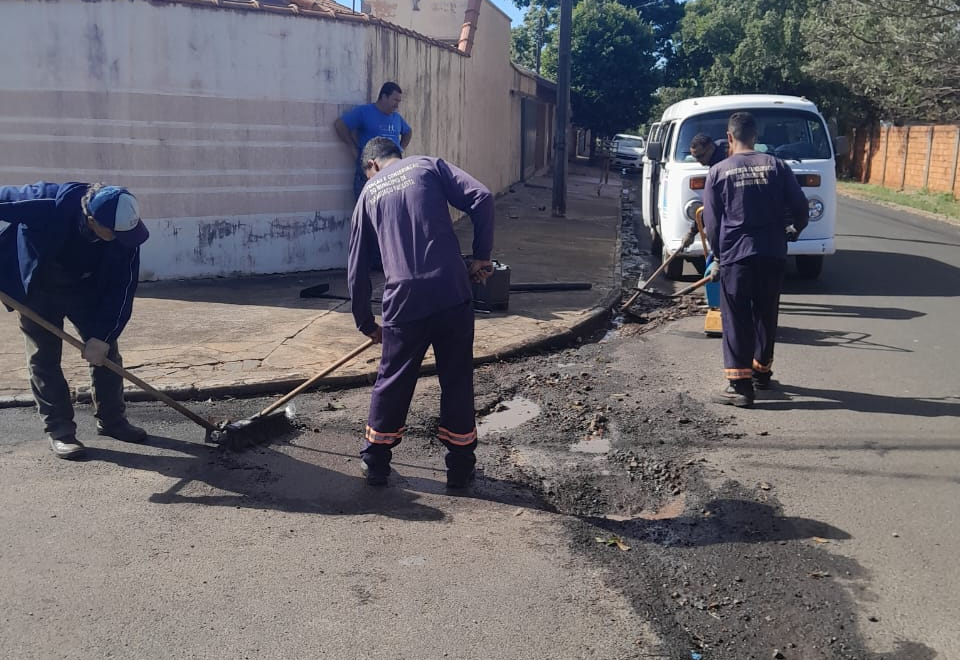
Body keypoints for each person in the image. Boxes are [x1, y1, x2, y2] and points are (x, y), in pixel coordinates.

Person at [347, 137, 494, 488]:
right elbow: (482, 197)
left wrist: (366, 324)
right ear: (395, 156)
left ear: (372, 167)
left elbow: (356, 268)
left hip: (404, 301)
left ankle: (377, 462)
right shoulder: (428, 165)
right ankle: (460, 467)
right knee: (457, 378)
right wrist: (481, 256)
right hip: (452, 292)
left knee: (393, 380)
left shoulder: (368, 195)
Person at [0, 182, 151, 459]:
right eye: (113, 233)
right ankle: (60, 431)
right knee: (44, 357)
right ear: (91, 219)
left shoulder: (126, 235)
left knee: (106, 353)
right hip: (38, 289)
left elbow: (123, 287)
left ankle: (112, 420)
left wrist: (103, 336)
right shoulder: (48, 202)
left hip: (87, 288)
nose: (122, 239)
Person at [701, 112, 808, 407]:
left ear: (730, 137)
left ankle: (740, 385)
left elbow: (712, 222)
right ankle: (761, 372)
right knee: (766, 312)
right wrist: (794, 231)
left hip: (737, 254)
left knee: (735, 316)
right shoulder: (777, 166)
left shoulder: (718, 172)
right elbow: (800, 208)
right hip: (773, 252)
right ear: (756, 138)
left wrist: (717, 255)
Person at [335, 82, 414, 199]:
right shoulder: (364, 112)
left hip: (392, 174)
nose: (397, 105)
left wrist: (400, 149)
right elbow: (340, 125)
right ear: (384, 97)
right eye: (395, 100)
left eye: (399, 101)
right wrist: (352, 146)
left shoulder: (396, 117)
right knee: (367, 209)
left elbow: (408, 132)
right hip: (369, 174)